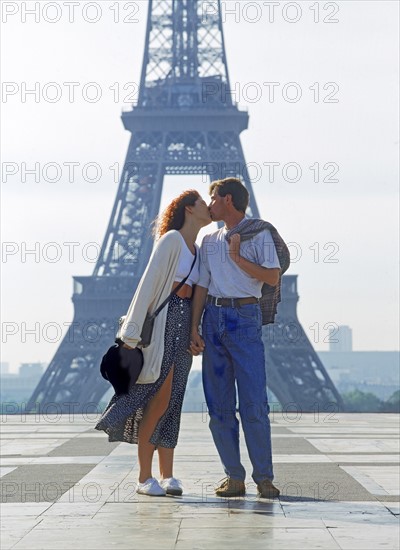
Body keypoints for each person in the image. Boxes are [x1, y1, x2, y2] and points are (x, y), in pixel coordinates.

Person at [95, 190, 211, 497]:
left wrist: (195, 330)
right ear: (189, 209)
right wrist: (131, 335)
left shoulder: (198, 250)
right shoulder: (171, 240)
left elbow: (199, 293)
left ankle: (167, 475)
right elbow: (148, 284)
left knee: (172, 403)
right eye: (202, 202)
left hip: (184, 323)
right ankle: (145, 478)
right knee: (157, 400)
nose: (208, 207)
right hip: (164, 322)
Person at [190, 177, 282, 499]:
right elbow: (201, 284)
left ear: (227, 200)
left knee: (254, 403)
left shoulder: (259, 234)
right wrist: (194, 327)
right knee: (219, 407)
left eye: (213, 198)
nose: (209, 204)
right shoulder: (208, 238)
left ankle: (264, 478)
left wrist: (237, 256)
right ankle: (234, 476)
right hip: (213, 318)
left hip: (245, 317)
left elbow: (272, 276)